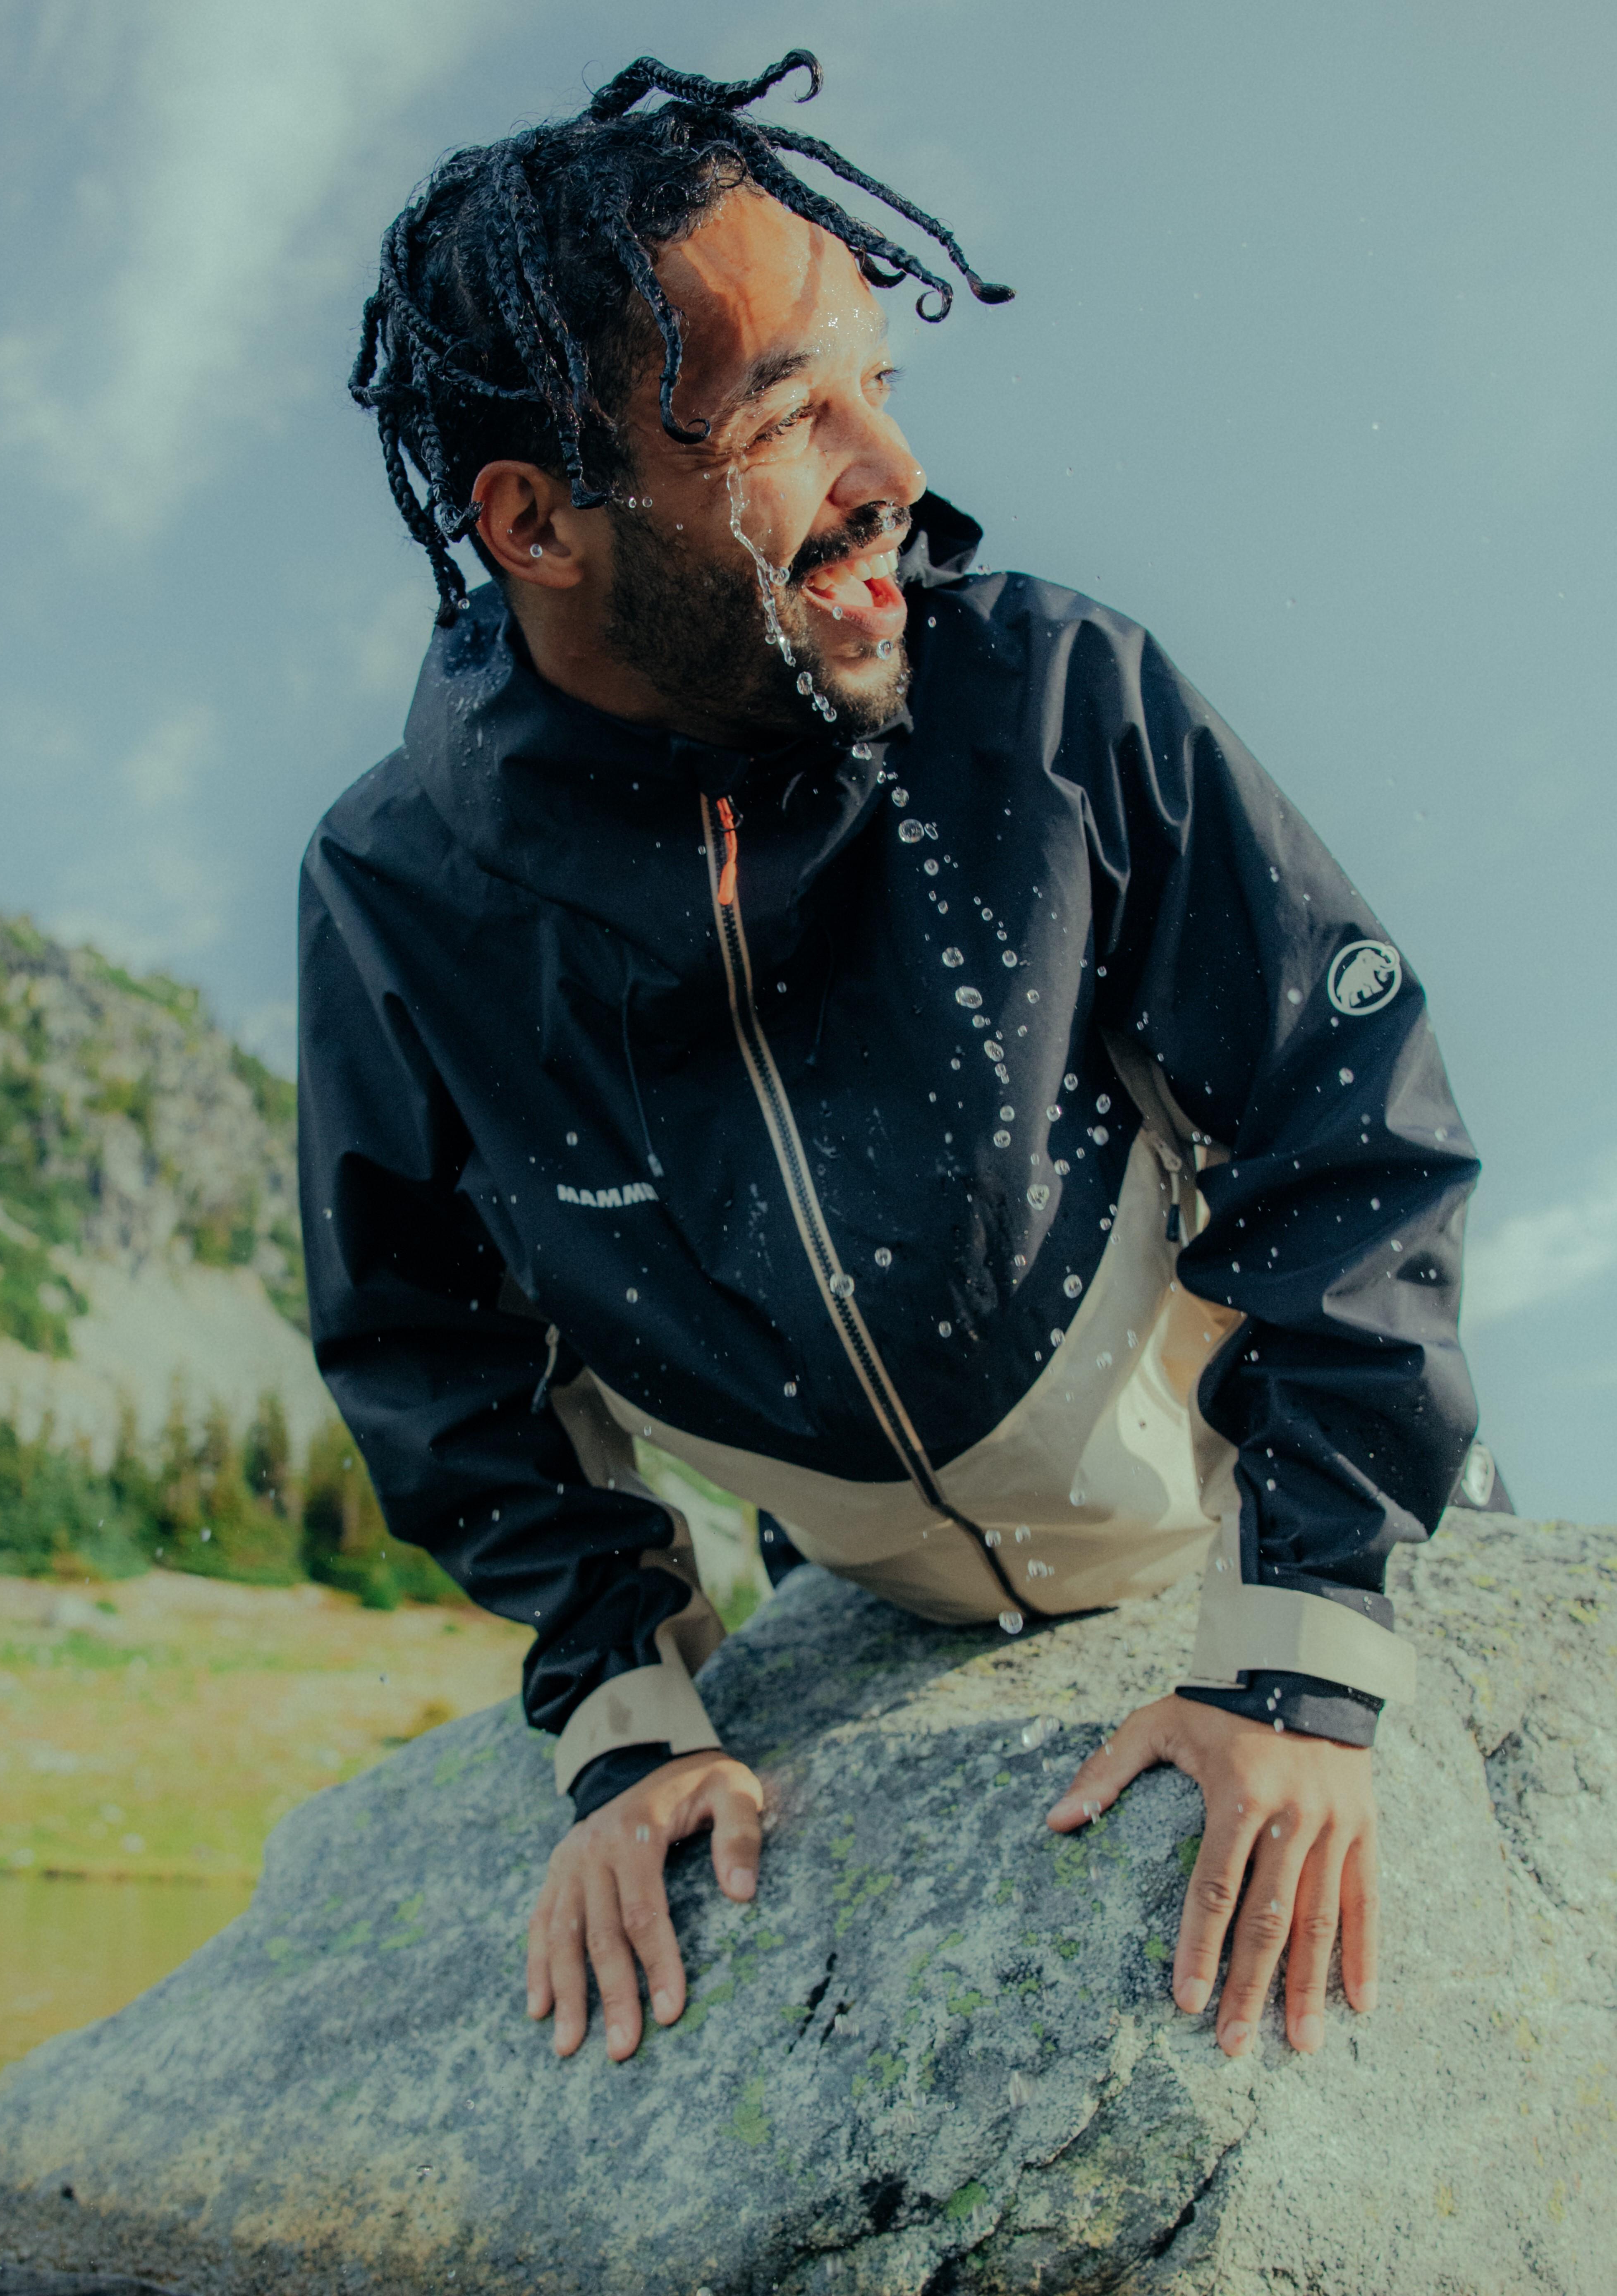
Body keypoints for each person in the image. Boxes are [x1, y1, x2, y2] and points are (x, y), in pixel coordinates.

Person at [299, 53, 1481, 2072]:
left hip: (1235, 1522)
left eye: (877, 380)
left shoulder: (1049, 697)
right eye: (783, 412)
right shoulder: (398, 894)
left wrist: (1296, 1662)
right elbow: (430, 1347)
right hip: (849, 1597)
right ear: (535, 520)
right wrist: (624, 1721)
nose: (889, 468)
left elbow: (1340, 1122)